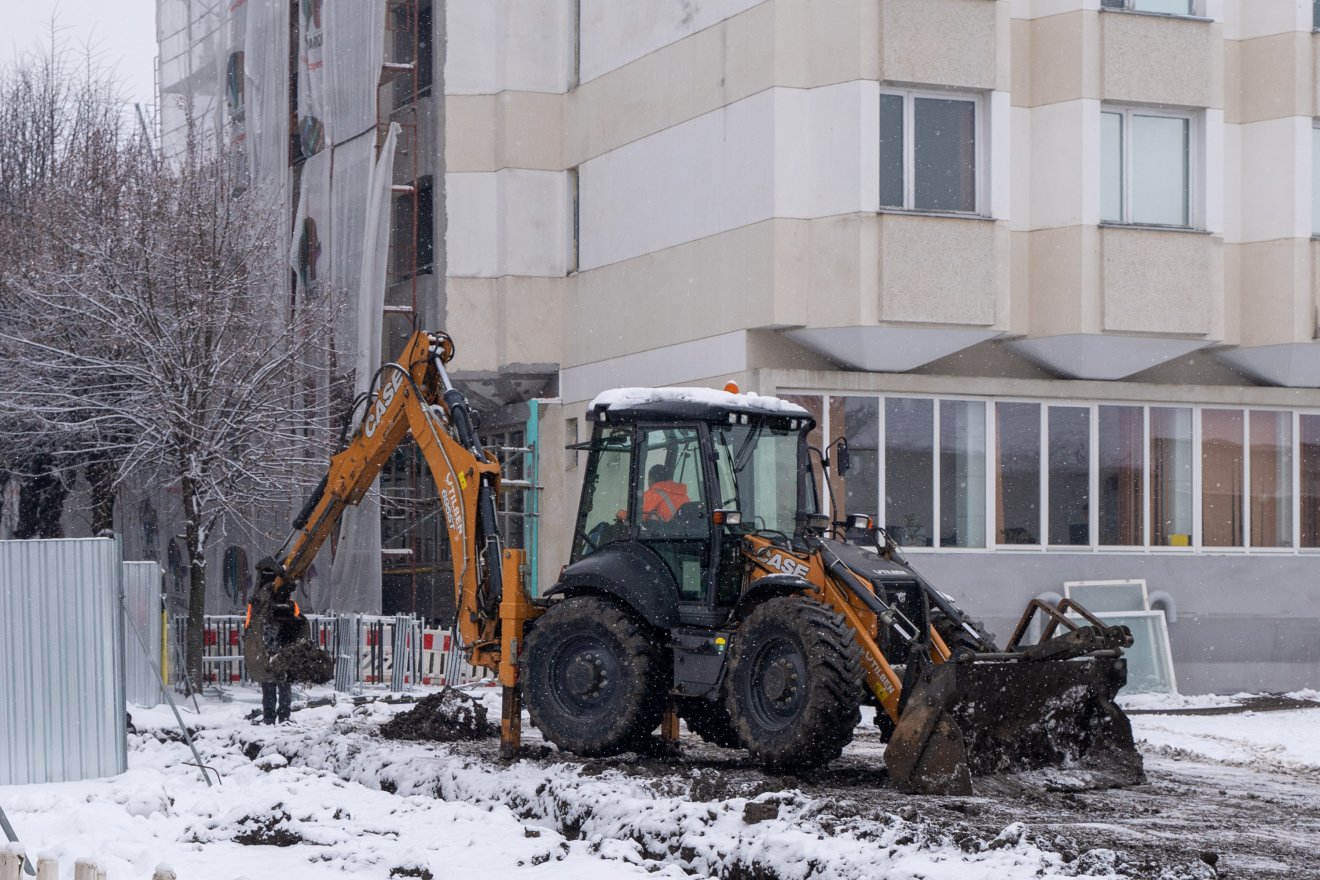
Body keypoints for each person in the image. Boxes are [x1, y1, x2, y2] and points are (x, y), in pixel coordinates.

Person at [243, 558, 309, 725]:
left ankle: (273, 717)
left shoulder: (263, 603)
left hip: (274, 649)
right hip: (274, 649)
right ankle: (278, 717)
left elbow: (251, 626)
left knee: (273, 686)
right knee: (278, 686)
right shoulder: (264, 603)